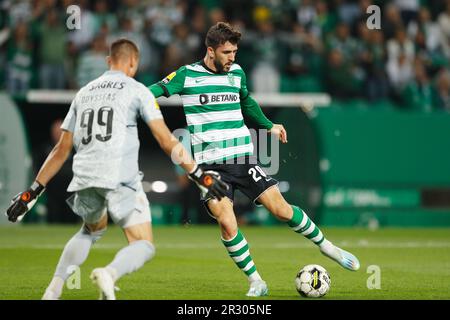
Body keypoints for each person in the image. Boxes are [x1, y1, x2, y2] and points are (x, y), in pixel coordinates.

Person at [5, 38, 228, 300]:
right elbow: (166, 140)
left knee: (91, 230)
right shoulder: (137, 90)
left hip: (85, 176)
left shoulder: (84, 92)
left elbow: (60, 150)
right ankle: (109, 274)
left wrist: (31, 192)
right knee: (143, 244)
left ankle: (52, 291)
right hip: (119, 176)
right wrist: (200, 175)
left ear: (109, 61)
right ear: (133, 63)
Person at [149, 22, 360, 297]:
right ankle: (256, 281)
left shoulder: (236, 72)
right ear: (210, 51)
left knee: (281, 210)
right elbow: (149, 92)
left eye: (234, 51)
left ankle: (327, 246)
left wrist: (268, 125)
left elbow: (246, 101)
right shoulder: (187, 75)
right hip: (211, 167)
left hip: (243, 159)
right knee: (226, 221)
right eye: (226, 52)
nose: (232, 58)